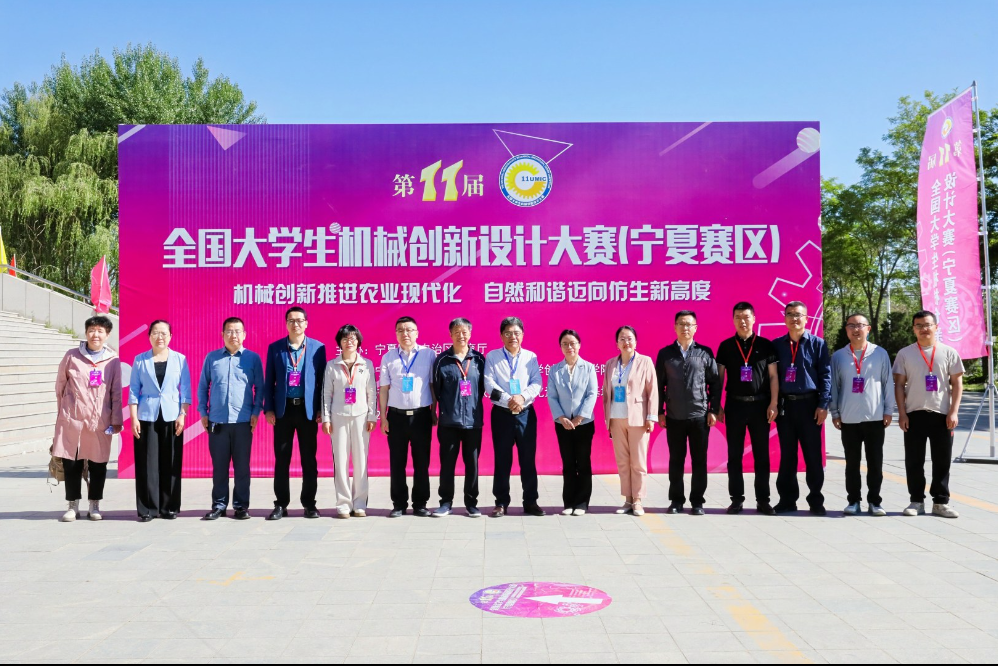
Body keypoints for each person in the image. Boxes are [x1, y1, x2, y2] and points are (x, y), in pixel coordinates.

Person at [893, 310, 964, 519]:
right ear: (913, 329)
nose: (924, 329)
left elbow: (957, 383)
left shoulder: (949, 352)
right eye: (919, 325)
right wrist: (902, 413)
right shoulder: (905, 354)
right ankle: (916, 501)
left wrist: (953, 412)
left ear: (936, 327)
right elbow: (899, 385)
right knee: (914, 461)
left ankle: (941, 502)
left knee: (942, 461)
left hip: (942, 415)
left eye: (927, 324)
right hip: (914, 414)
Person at [53, 316, 123, 522]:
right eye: (92, 330)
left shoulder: (113, 360)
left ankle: (94, 504)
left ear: (107, 335)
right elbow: (60, 386)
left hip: (99, 420)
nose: (95, 335)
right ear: (86, 333)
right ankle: (72, 505)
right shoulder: (72, 356)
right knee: (71, 463)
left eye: (100, 331)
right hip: (72, 419)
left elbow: (116, 392)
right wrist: (62, 414)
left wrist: (116, 420)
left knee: (98, 464)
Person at [263, 307, 327, 520]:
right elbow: (269, 381)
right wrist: (269, 408)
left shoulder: (318, 348)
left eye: (299, 320)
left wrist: (321, 409)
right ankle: (281, 504)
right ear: (286, 324)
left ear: (306, 323)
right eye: (291, 320)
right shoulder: (276, 348)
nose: (295, 324)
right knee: (282, 459)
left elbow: (322, 382)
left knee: (309, 459)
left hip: (307, 411)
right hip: (283, 411)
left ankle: (309, 504)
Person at [715, 302, 779, 515]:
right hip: (735, 405)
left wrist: (773, 403)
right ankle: (736, 499)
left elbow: (773, 376)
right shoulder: (725, 346)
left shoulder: (766, 345)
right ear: (733, 320)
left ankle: (763, 500)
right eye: (738, 317)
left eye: (746, 317)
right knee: (734, 455)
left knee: (762, 455)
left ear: (754, 319)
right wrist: (717, 405)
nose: (742, 321)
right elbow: (719, 378)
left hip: (760, 405)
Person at [198, 317, 264, 520]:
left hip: (243, 421)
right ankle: (219, 505)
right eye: (229, 331)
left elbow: (260, 388)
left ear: (244, 335)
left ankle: (241, 506)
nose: (233, 335)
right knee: (219, 467)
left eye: (237, 331)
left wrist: (256, 412)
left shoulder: (253, 358)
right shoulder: (212, 358)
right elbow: (203, 386)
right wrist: (203, 412)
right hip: (217, 421)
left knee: (242, 467)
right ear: (222, 334)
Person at [655, 311, 721, 516]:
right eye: (681, 324)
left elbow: (715, 383)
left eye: (689, 324)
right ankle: (676, 500)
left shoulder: (704, 352)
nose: (685, 328)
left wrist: (713, 410)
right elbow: (659, 385)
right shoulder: (665, 354)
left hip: (699, 416)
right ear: (675, 327)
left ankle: (697, 501)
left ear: (695, 328)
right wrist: (659, 412)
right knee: (676, 460)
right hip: (674, 416)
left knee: (699, 460)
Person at [829, 313, 895, 517]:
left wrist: (888, 410)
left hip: (875, 417)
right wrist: (835, 412)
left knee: (875, 462)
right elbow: (834, 386)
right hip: (848, 418)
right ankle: (853, 501)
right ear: (846, 330)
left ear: (868, 329)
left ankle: (875, 501)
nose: (856, 329)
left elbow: (888, 383)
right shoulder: (838, 356)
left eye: (860, 325)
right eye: (851, 325)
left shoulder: (880, 353)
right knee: (852, 463)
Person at [128, 320, 192, 522]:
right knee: (147, 463)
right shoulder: (140, 360)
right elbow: (133, 390)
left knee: (171, 462)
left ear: (170, 336)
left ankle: (169, 507)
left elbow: (186, 390)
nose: (160, 337)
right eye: (155, 333)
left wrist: (182, 414)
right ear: (149, 336)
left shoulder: (180, 359)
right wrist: (133, 418)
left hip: (173, 416)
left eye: (164, 333)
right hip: (146, 416)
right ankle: (148, 508)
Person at [773, 301, 832, 515]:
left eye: (798, 315)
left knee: (812, 455)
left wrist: (823, 404)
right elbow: (771, 377)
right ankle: (787, 500)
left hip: (810, 406)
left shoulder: (818, 344)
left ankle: (816, 500)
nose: (794, 318)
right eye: (789, 314)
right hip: (786, 406)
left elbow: (826, 375)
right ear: (784, 318)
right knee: (788, 455)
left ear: (806, 318)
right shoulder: (777, 345)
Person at [484, 316, 545, 517]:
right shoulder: (493, 356)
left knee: (528, 459)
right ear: (501, 336)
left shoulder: (530, 357)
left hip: (525, 414)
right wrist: (509, 399)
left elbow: (537, 382)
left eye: (516, 333)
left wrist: (522, 397)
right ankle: (501, 502)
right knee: (502, 459)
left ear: (523, 335)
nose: (513, 337)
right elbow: (489, 384)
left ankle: (531, 501)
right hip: (501, 415)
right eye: (508, 333)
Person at [378, 316, 437, 518]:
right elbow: (383, 389)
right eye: (401, 330)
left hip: (421, 416)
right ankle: (399, 504)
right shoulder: (388, 357)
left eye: (409, 330)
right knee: (397, 462)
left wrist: (434, 410)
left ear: (417, 333)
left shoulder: (429, 354)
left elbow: (432, 385)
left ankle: (420, 504)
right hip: (396, 417)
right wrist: (383, 417)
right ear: (396, 334)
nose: (405, 333)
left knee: (422, 462)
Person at [432, 318, 487, 517]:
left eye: (464, 332)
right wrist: (437, 412)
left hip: (473, 422)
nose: (461, 336)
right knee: (447, 464)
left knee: (472, 464)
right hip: (449, 422)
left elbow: (482, 389)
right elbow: (436, 390)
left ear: (470, 334)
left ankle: (471, 503)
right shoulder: (442, 360)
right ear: (450, 335)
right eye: (456, 332)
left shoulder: (479, 360)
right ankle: (445, 502)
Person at [322, 324, 377, 519]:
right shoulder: (332, 365)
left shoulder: (366, 364)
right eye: (345, 339)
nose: (349, 342)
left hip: (361, 418)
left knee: (361, 461)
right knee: (341, 461)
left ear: (358, 341)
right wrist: (326, 418)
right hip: (338, 417)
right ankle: (343, 504)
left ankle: (360, 504)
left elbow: (372, 392)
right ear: (339, 343)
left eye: (353, 338)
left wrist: (372, 416)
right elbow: (326, 394)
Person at [603, 326, 658, 517]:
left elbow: (652, 391)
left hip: (638, 419)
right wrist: (608, 420)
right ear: (617, 343)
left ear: (636, 342)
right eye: (622, 339)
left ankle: (638, 500)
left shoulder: (645, 361)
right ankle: (627, 499)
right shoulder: (610, 364)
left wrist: (651, 417)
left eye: (630, 338)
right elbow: (606, 394)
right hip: (616, 418)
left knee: (638, 462)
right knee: (623, 462)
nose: (626, 342)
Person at [548, 329, 599, 516]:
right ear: (560, 347)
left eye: (572, 343)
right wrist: (561, 418)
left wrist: (579, 418)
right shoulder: (555, 370)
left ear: (579, 345)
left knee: (583, 463)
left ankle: (582, 503)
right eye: (565, 344)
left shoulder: (589, 368)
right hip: (563, 425)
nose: (569, 347)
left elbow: (592, 394)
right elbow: (552, 396)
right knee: (568, 463)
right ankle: (569, 502)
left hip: (584, 424)